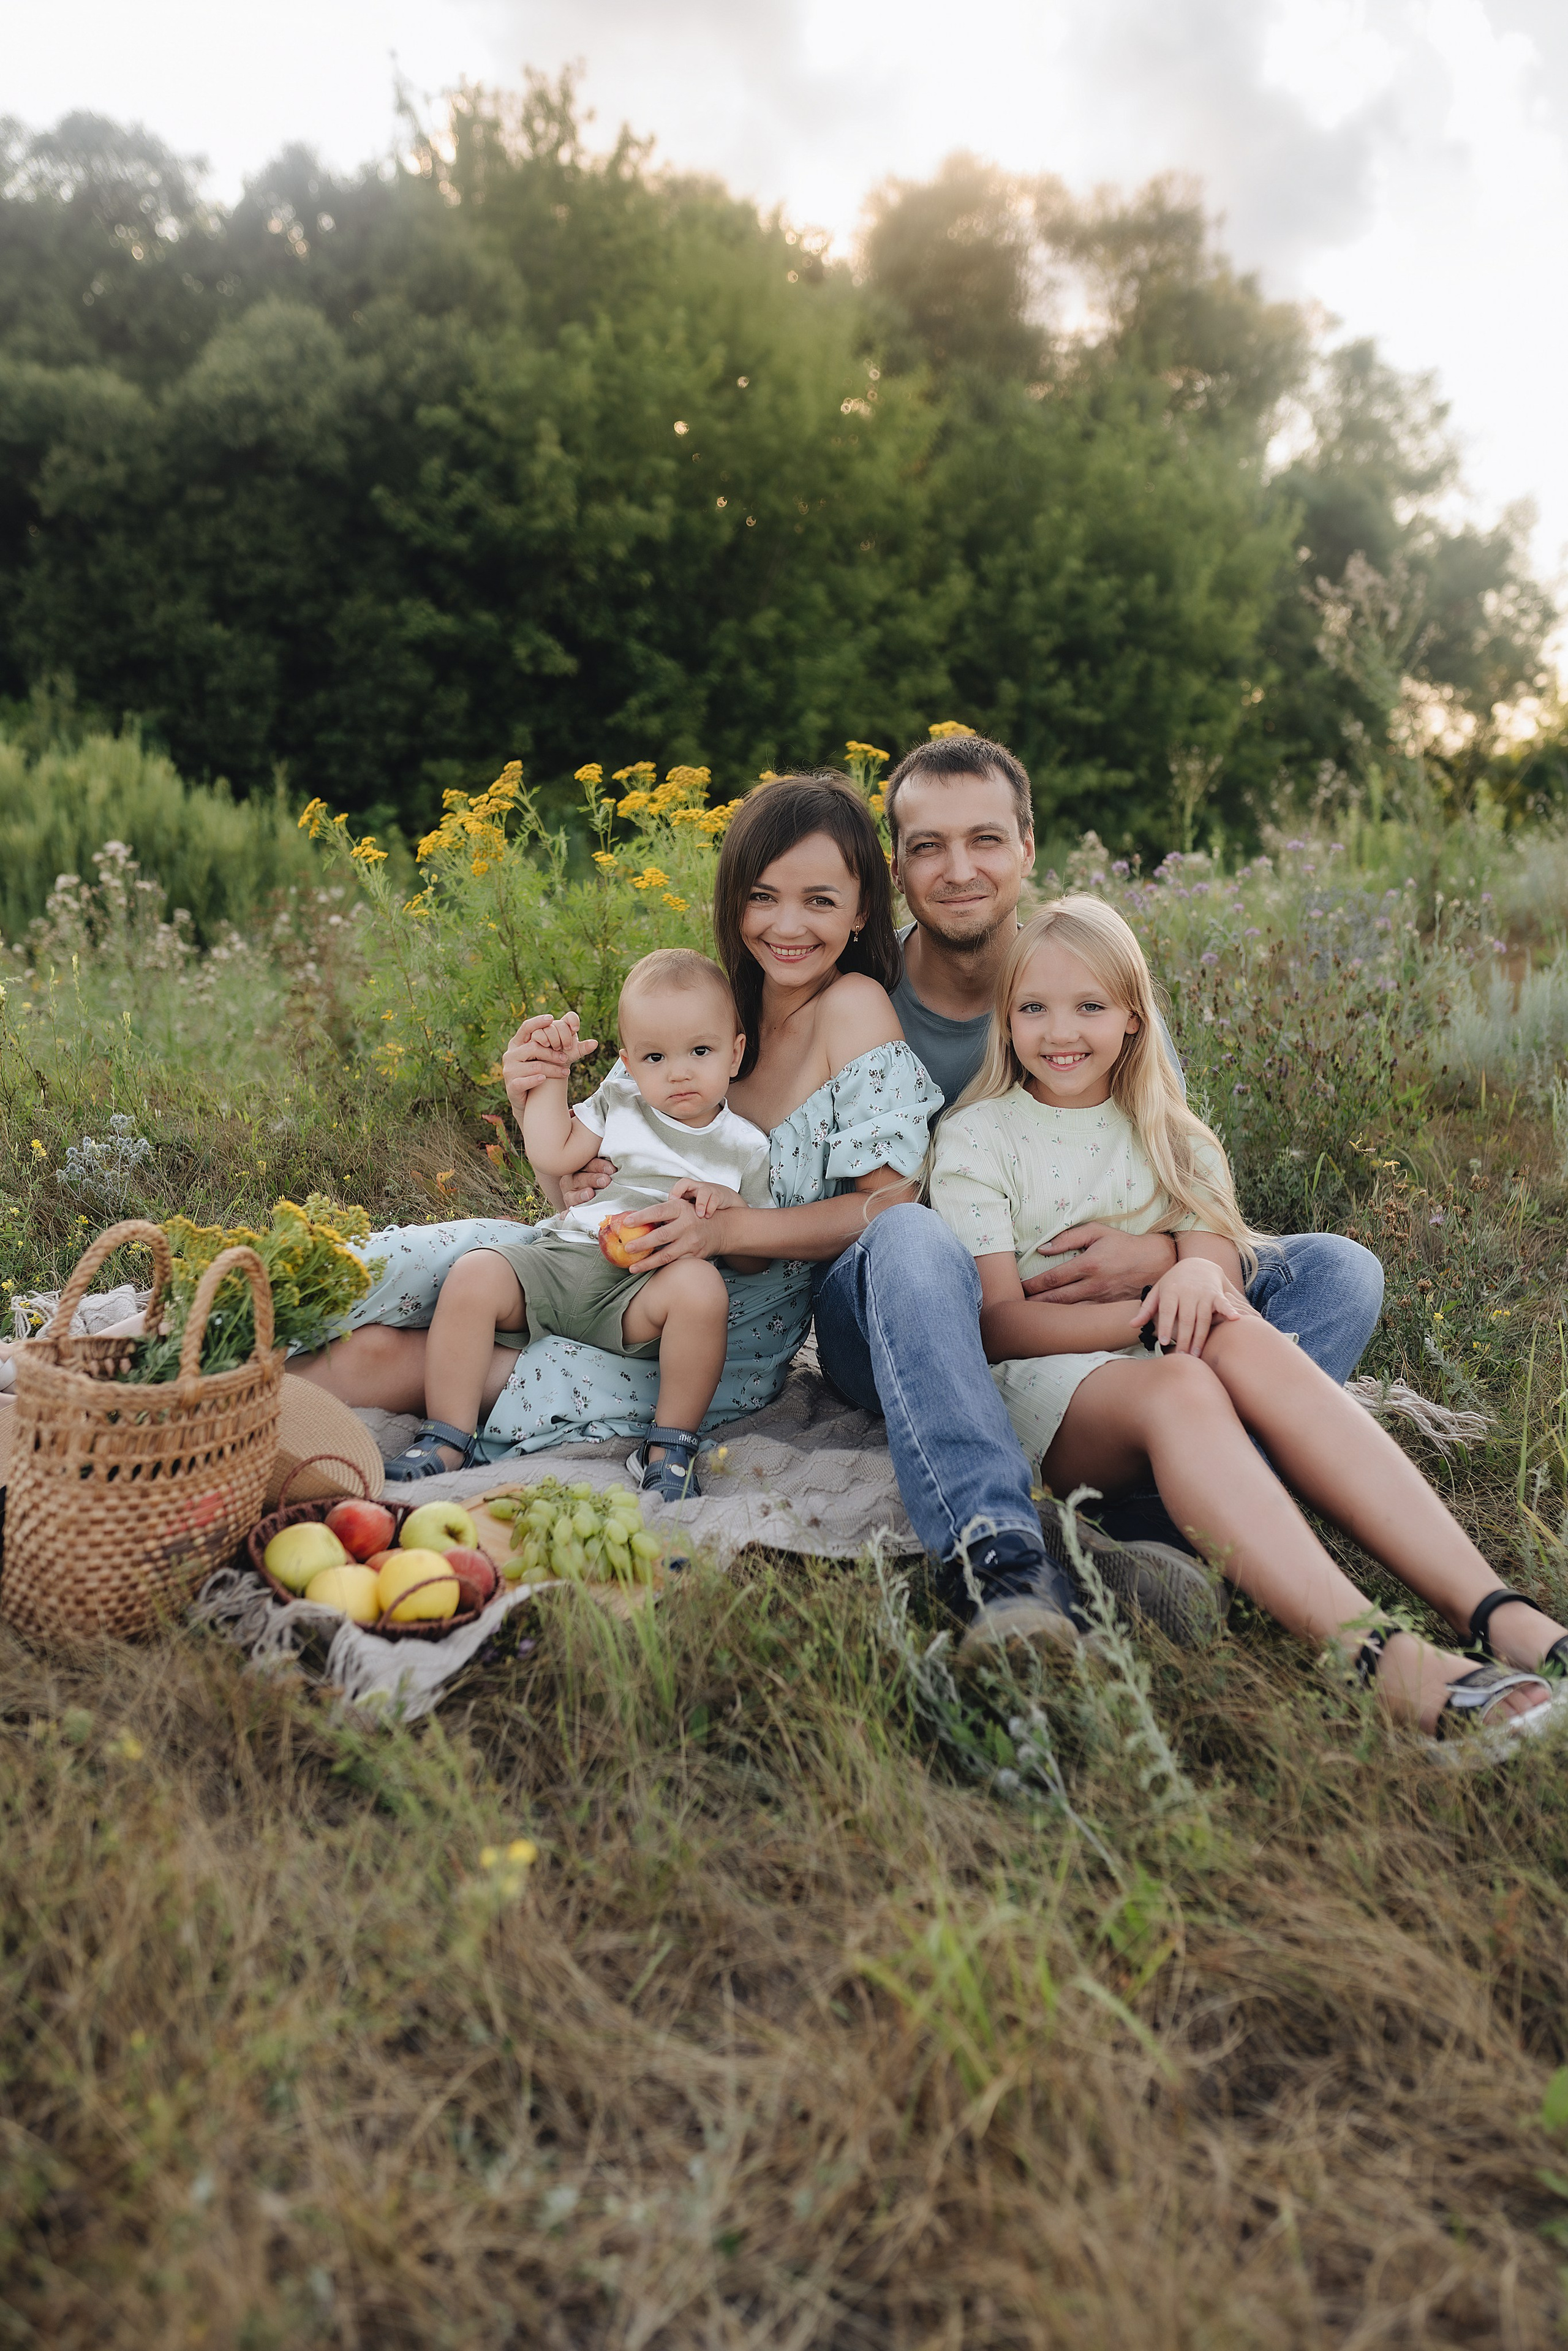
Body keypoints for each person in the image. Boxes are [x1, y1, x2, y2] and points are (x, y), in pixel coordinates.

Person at [927, 893, 1568, 1733]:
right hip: (1053, 1393)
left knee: (1238, 1334)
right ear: (1005, 1022)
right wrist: (1158, 1316)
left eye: (1089, 1005)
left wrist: (1195, 1281)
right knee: (1189, 1374)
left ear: (1132, 1016)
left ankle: (1495, 1609)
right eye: (1034, 1008)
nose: (1061, 1031)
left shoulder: (1170, 1132)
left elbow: (1218, 1267)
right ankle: (1375, 1654)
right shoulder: (978, 1136)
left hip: (1165, 1363)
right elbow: (999, 1326)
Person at [382, 949, 774, 1500]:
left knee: (703, 1289)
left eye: (700, 1051)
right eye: (655, 1057)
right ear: (629, 1064)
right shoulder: (621, 1102)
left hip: (644, 1291)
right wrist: (552, 1079)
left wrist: (726, 1205)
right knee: (474, 1274)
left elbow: (754, 1257)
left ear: (735, 1054)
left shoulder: (746, 1147)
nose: (679, 1071)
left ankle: (669, 1445)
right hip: (567, 1256)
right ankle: (447, 1434)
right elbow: (554, 1149)